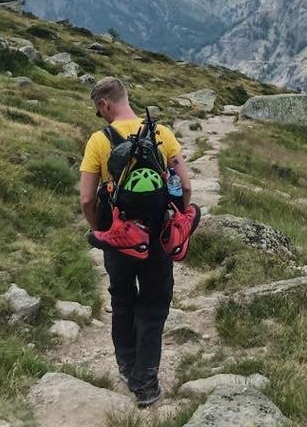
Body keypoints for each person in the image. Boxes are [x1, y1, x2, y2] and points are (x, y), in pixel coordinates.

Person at [79, 77, 191, 407]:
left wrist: (101, 228)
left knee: (123, 301)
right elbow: (184, 186)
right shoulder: (162, 134)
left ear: (104, 105)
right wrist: (177, 221)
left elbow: (86, 199)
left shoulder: (99, 141)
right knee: (154, 306)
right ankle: (148, 383)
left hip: (119, 237)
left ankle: (128, 367)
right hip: (157, 235)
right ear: (126, 97)